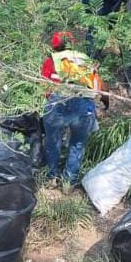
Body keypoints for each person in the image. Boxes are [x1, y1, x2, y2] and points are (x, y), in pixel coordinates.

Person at [41, 31, 107, 187]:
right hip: (84, 104)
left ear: (54, 46)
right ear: (72, 43)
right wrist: (105, 105)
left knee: (53, 141)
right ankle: (69, 183)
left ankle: (52, 177)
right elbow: (98, 85)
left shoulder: (52, 60)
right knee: (77, 143)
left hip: (59, 101)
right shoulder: (84, 59)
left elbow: (45, 87)